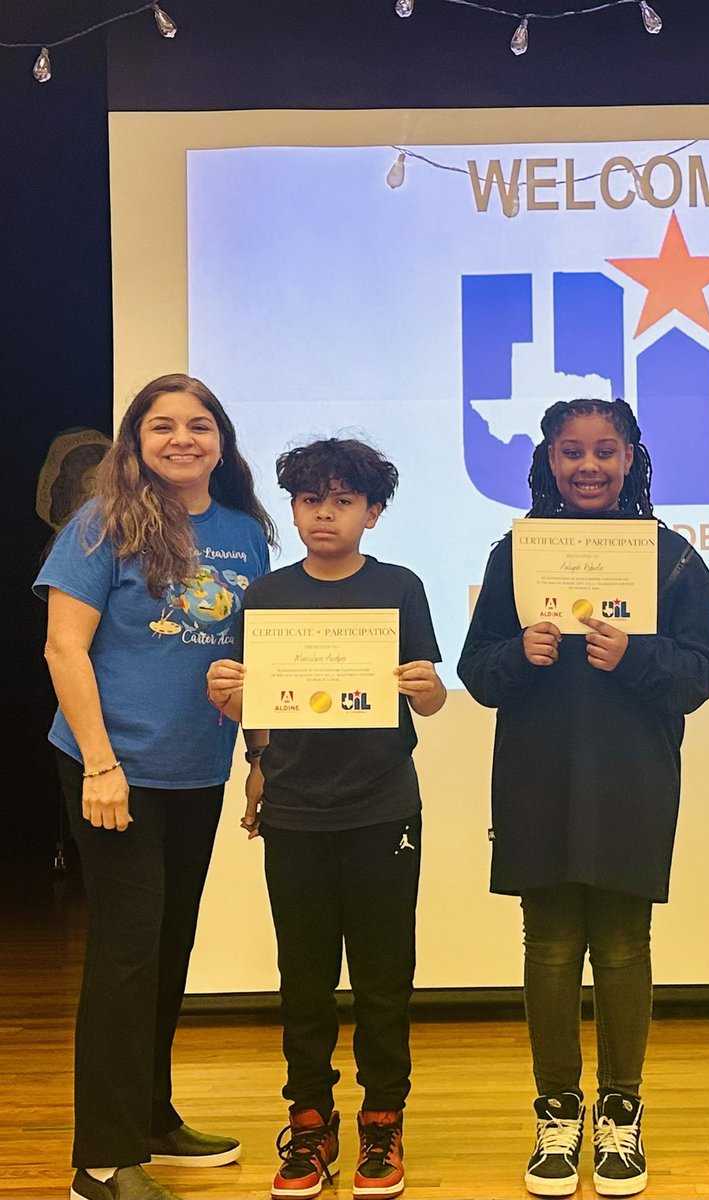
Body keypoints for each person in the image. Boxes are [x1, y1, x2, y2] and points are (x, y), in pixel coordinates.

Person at [458, 398, 709, 1198]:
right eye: (571, 452)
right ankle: (557, 1111)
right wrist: (521, 653)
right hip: (539, 774)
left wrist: (635, 656)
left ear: (633, 457)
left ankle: (620, 1111)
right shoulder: (514, 555)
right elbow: (477, 673)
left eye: (605, 451)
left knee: (620, 947)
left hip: (632, 776)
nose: (588, 467)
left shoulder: (672, 556)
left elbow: (701, 673)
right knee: (545, 946)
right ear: (546, 461)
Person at [35, 374, 276, 1200]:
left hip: (196, 768)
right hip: (113, 769)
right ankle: (100, 1160)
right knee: (127, 956)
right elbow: (64, 649)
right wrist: (102, 766)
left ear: (221, 439)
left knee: (168, 950)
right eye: (162, 425)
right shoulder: (101, 524)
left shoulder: (246, 533)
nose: (183, 439)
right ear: (135, 440)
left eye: (199, 425)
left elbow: (255, 666)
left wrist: (260, 764)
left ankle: (150, 1117)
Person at [206, 438, 445, 1200]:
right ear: (294, 508)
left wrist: (426, 687)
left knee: (383, 975)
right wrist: (247, 747)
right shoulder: (268, 596)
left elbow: (432, 700)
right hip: (296, 810)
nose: (324, 514)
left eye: (343, 501)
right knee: (303, 975)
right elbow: (258, 712)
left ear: (373, 513)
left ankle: (382, 1119)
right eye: (311, 500)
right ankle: (309, 1120)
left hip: (382, 806)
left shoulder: (400, 587)